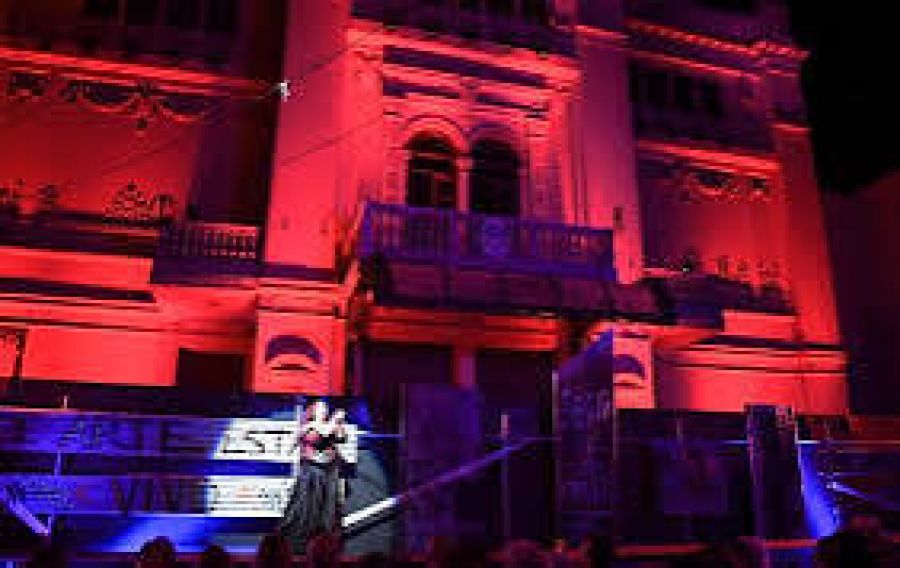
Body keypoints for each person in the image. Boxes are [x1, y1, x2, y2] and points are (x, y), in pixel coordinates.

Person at [278, 400, 348, 553]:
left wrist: (339, 425)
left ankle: (326, 547)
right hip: (311, 472)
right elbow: (319, 436)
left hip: (329, 472)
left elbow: (341, 438)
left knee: (329, 511)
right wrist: (334, 420)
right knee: (306, 509)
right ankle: (298, 546)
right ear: (312, 411)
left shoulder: (331, 425)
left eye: (325, 408)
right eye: (320, 408)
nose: (323, 411)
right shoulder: (309, 427)